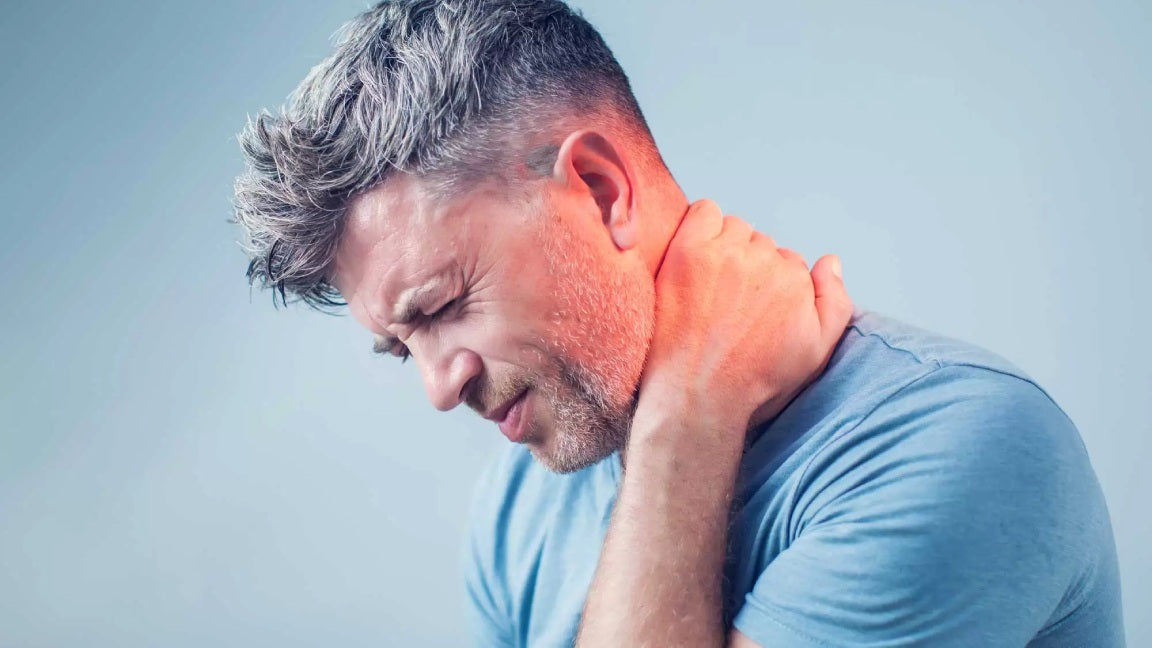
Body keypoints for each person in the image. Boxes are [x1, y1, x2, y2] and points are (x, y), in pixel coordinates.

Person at [230, 1, 1124, 646]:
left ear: (601, 191)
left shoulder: (961, 447)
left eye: (441, 307)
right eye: (401, 348)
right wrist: (683, 407)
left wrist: (684, 424)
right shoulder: (516, 509)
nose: (438, 387)